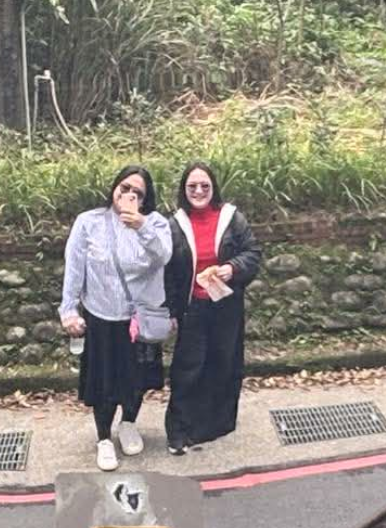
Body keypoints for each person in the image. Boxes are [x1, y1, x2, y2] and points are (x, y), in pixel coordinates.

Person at [60, 166, 174, 471]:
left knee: (138, 379)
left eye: (138, 193)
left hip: (139, 318)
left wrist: (141, 226)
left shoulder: (155, 223)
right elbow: (75, 267)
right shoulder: (89, 222)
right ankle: (103, 439)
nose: (129, 195)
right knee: (104, 383)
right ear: (114, 188)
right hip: (102, 316)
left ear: (146, 199)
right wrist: (69, 310)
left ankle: (129, 423)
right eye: (125, 188)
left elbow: (164, 256)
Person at [163, 162, 262, 455]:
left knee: (224, 363)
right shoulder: (173, 225)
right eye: (192, 186)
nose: (198, 191)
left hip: (226, 306)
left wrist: (232, 268)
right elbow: (167, 271)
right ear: (184, 189)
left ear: (213, 188)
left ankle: (216, 424)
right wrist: (170, 311)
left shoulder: (232, 218)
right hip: (192, 307)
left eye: (204, 186)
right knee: (188, 369)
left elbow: (252, 253)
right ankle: (179, 430)